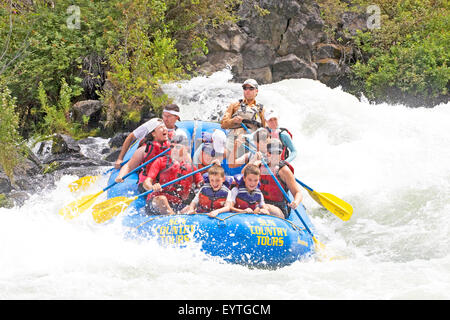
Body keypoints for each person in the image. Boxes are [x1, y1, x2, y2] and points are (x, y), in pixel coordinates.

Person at [141, 134, 203, 215]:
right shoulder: (160, 161)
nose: (173, 150)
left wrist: (214, 165)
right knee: (162, 200)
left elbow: (201, 185)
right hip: (157, 202)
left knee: (189, 208)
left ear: (186, 148)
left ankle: (175, 216)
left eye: (177, 147)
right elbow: (147, 182)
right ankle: (174, 219)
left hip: (177, 205)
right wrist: (152, 187)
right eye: (171, 147)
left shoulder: (191, 168)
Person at [114, 104, 181, 169]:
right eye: (164, 115)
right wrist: (120, 158)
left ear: (176, 117)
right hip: (144, 159)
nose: (165, 119)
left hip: (161, 164)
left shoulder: (178, 133)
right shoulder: (153, 123)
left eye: (169, 116)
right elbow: (131, 136)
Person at [220, 79, 266, 167]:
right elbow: (223, 124)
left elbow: (266, 130)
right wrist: (233, 121)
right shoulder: (234, 105)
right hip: (234, 138)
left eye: (251, 88)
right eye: (245, 88)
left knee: (255, 157)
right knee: (223, 153)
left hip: (251, 139)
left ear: (256, 91)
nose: (247, 90)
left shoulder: (261, 109)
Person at [255, 140, 302, 219]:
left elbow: (298, 193)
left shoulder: (284, 171)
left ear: (282, 153)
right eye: (271, 152)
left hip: (278, 208)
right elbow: (245, 176)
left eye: (278, 153)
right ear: (267, 153)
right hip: (260, 203)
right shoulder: (259, 165)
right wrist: (254, 161)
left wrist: (296, 202)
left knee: (264, 207)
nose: (274, 156)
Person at [115, 118, 171, 183]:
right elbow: (129, 166)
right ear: (153, 133)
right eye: (161, 127)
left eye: (165, 127)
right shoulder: (144, 149)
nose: (165, 129)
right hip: (148, 183)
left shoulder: (171, 145)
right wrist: (120, 176)